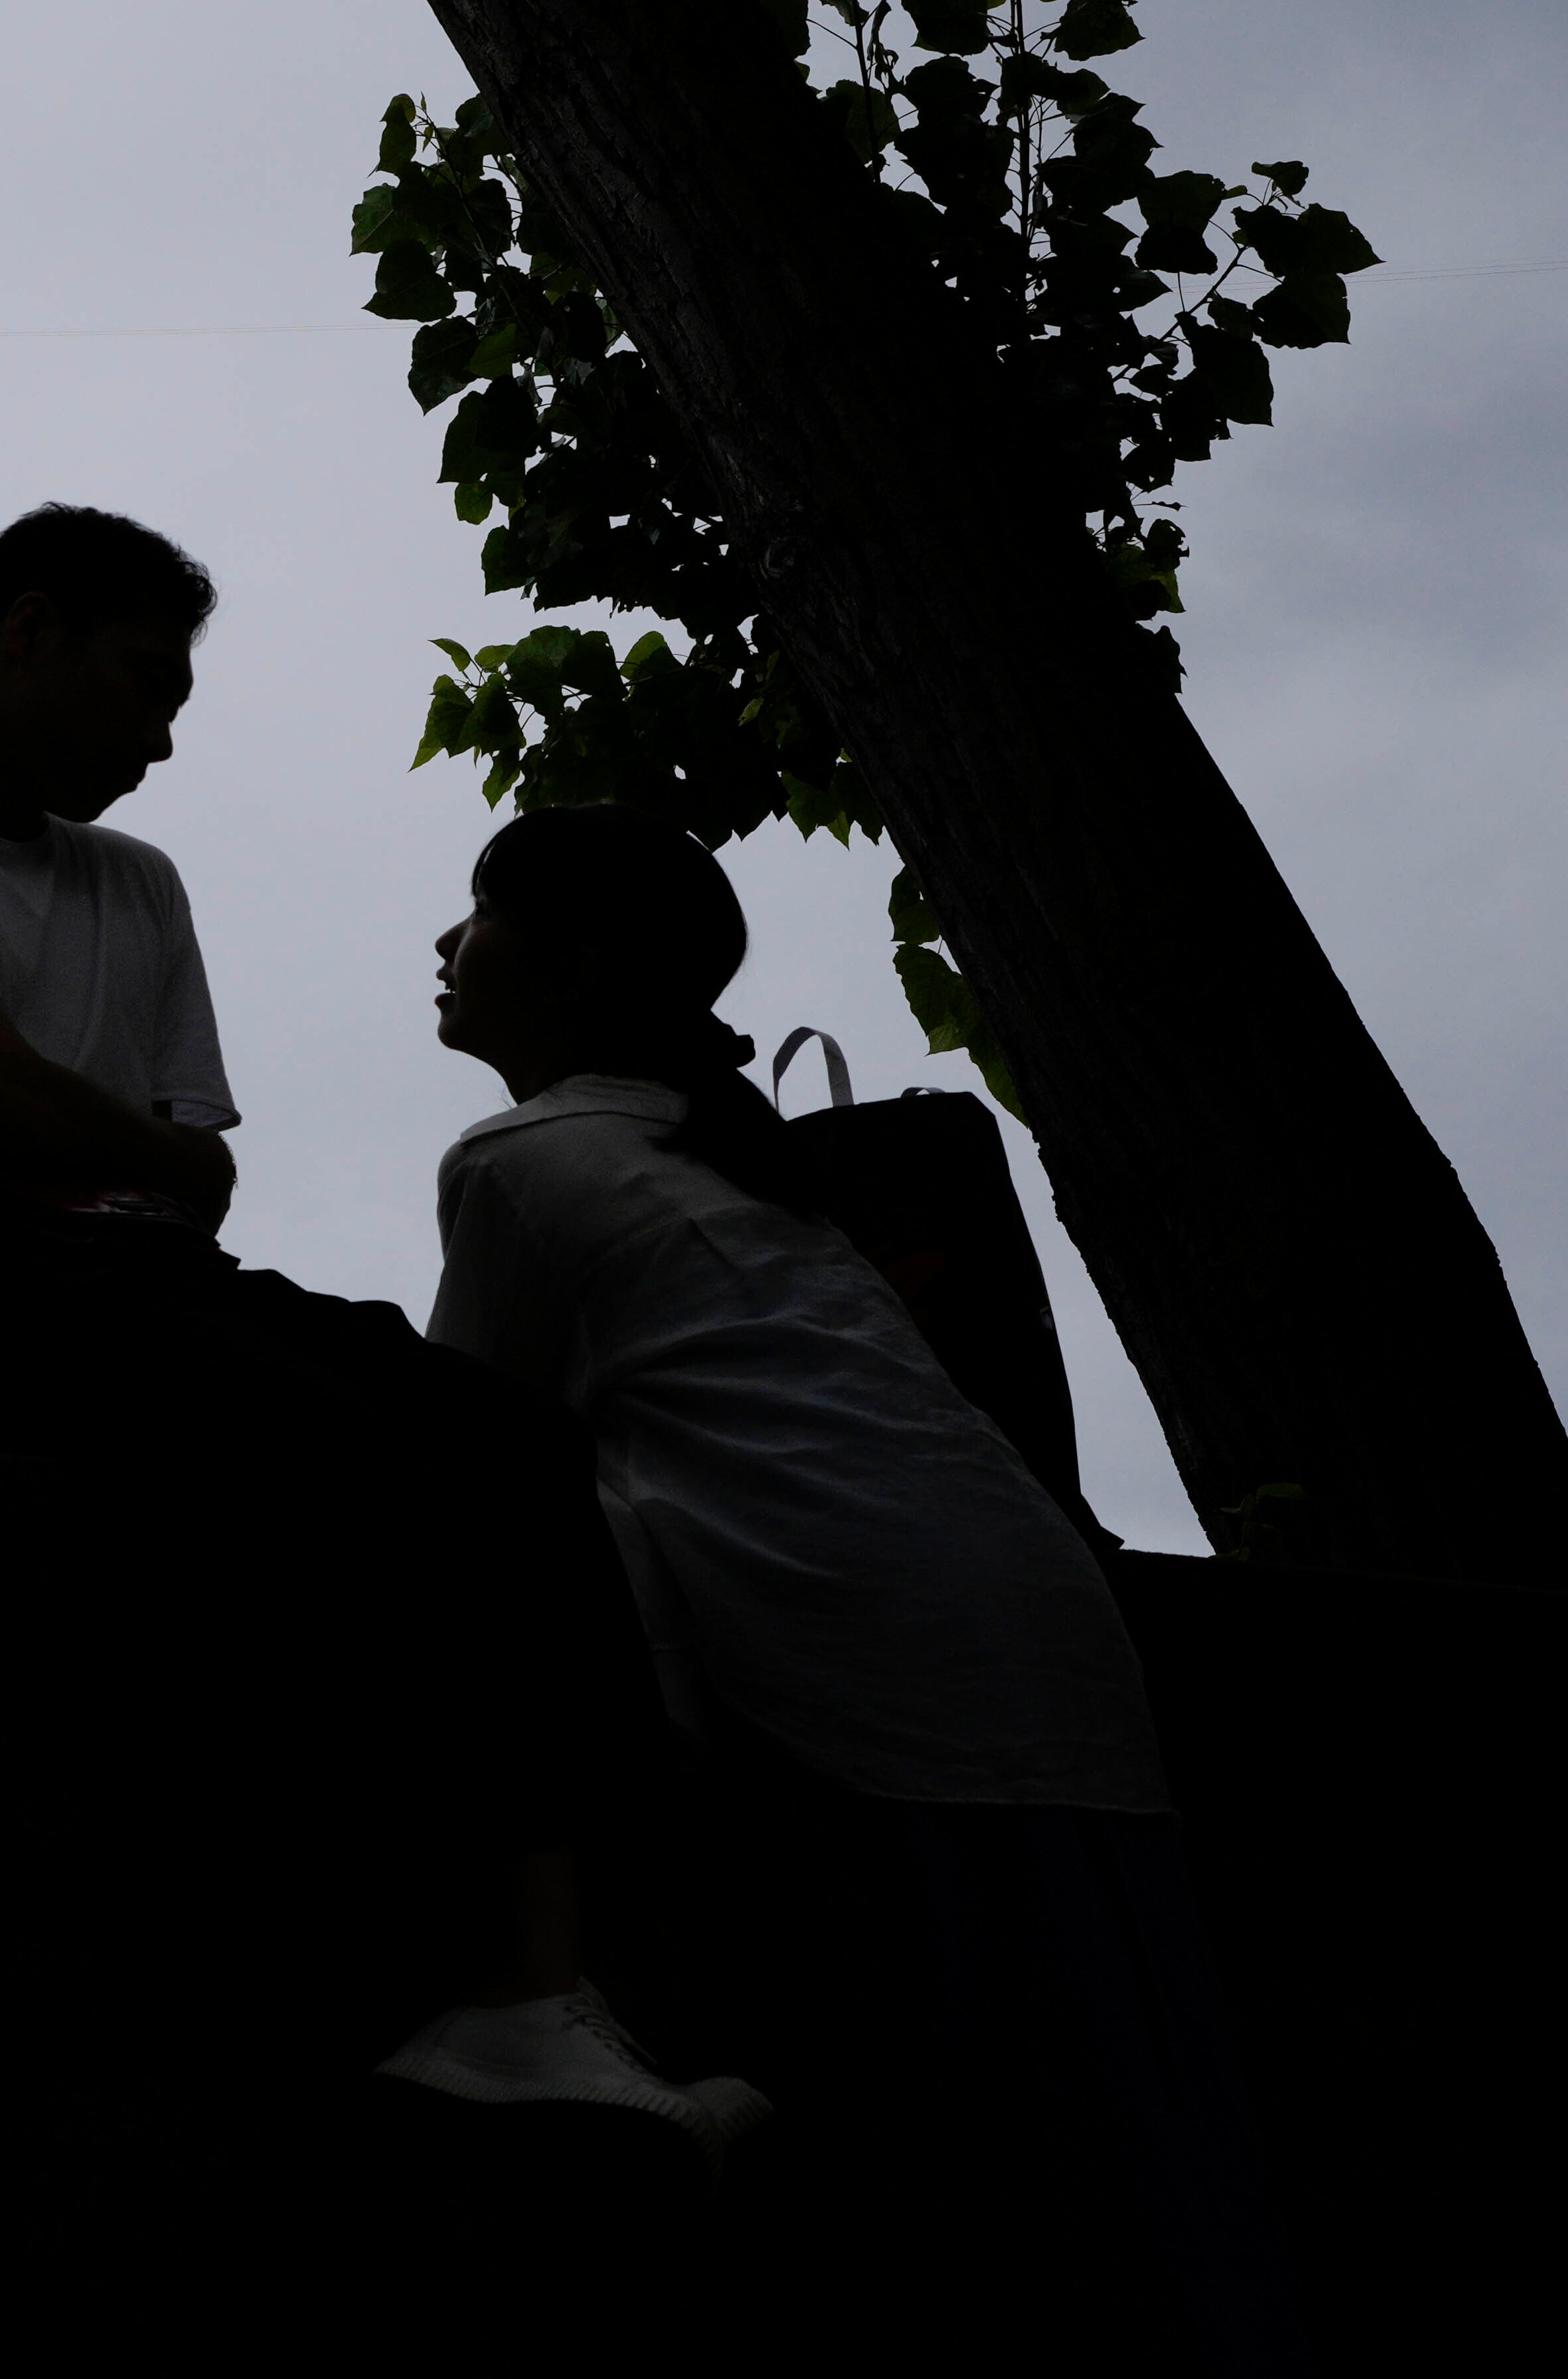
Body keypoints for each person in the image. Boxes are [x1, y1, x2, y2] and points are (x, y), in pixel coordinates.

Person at [0, 506, 762, 2145]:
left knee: (509, 1446)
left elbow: (161, 1169)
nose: (160, 736)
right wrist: (113, 1154)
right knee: (324, 1454)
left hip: (118, 1283)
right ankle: (429, 1977)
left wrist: (106, 1155)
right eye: (143, 685)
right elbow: (1, 1100)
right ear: (27, 632)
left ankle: (539, 1987)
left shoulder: (134, 885)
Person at [424, 808, 1304, 2368]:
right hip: (1037, 1634)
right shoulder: (745, 1179)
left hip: (857, 1653)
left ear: (563, 971)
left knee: (970, 2152)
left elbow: (460, 1459)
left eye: (475, 916)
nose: (445, 947)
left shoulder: (521, 1159)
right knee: (1134, 2115)